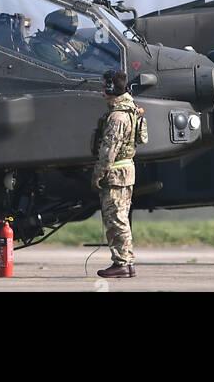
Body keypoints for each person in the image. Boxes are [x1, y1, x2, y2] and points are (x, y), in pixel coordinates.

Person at [93, 69, 145, 278]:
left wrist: (98, 174)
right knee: (120, 217)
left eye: (104, 84)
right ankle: (126, 263)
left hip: (115, 173)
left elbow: (108, 150)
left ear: (110, 87)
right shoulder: (129, 110)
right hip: (124, 171)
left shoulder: (117, 116)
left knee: (116, 219)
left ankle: (123, 263)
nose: (101, 89)